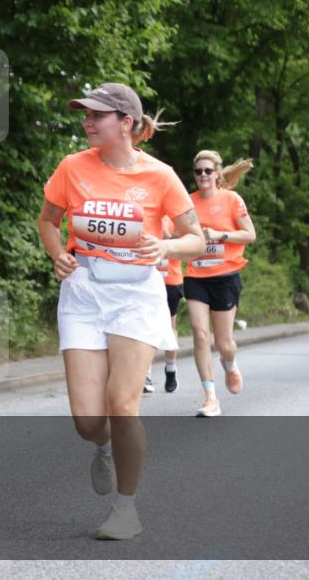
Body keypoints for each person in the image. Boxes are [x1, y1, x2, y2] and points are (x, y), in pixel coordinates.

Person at [38, 82, 205, 540]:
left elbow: (197, 239)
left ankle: (126, 509)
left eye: (97, 115)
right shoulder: (73, 168)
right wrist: (58, 253)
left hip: (136, 293)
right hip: (84, 291)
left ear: (125, 123)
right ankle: (103, 446)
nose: (87, 122)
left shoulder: (160, 175)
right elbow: (48, 221)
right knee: (88, 421)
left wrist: (166, 244)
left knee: (122, 403)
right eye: (85, 115)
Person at [183, 151, 256, 418]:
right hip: (195, 275)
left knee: (224, 343)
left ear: (217, 173)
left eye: (207, 171)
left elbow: (250, 234)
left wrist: (220, 235)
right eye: (198, 171)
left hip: (225, 276)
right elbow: (171, 229)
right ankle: (210, 398)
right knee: (200, 335)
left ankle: (230, 362)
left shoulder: (231, 199)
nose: (203, 175)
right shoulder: (187, 203)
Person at [157, 215, 185, 391]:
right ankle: (146, 375)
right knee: (143, 327)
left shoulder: (176, 216)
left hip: (170, 280)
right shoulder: (141, 211)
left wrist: (167, 236)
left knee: (169, 326)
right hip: (145, 278)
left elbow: (188, 243)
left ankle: (171, 369)